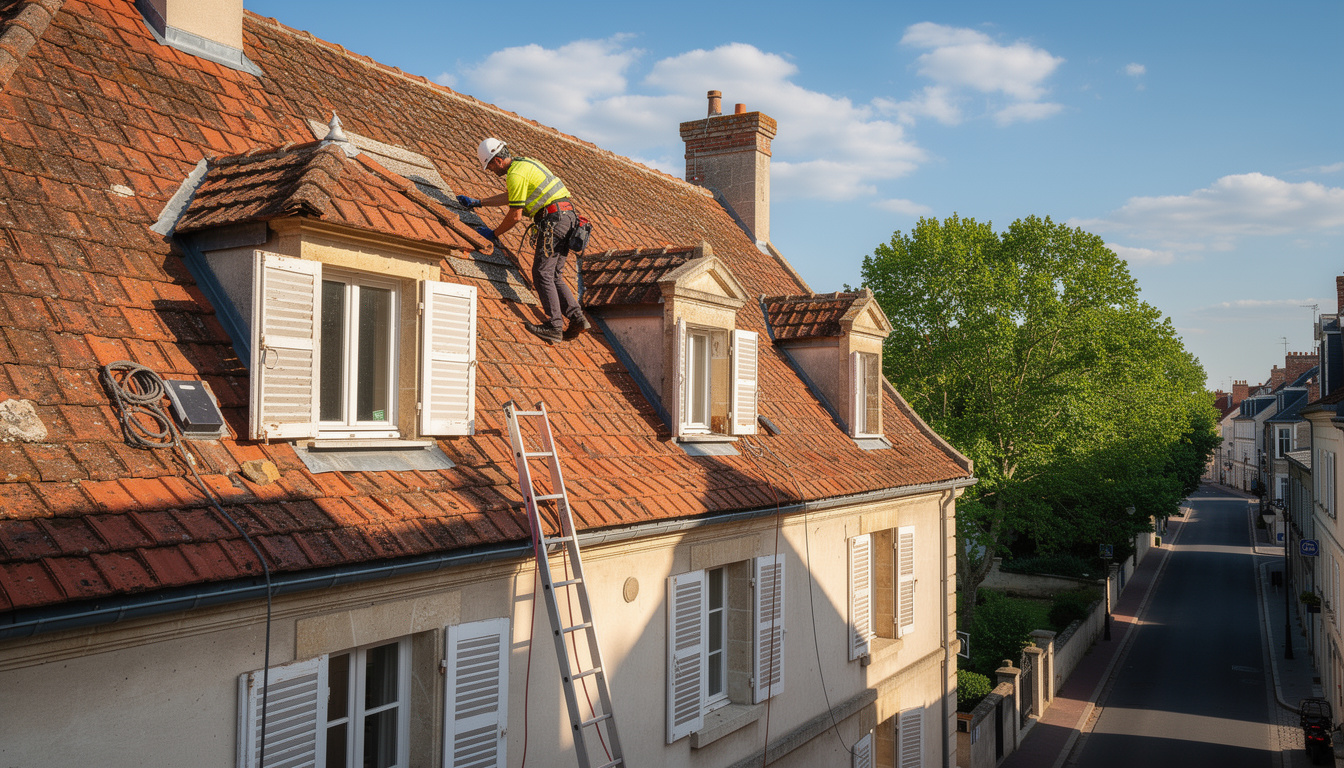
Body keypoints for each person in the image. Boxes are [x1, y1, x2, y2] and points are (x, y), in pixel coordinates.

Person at [457, 138, 590, 343]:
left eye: (490, 166)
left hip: (553, 220)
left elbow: (515, 215)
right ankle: (577, 318)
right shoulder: (525, 164)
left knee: (541, 273)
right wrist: (479, 203)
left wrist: (494, 233)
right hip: (568, 219)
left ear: (498, 160)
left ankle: (554, 326)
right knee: (555, 275)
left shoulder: (515, 173)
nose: (491, 170)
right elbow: (512, 196)